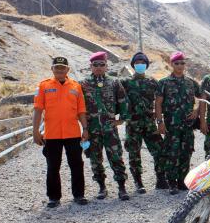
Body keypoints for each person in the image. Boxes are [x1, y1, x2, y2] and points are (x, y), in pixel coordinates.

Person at [32, 56, 88, 208]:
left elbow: (81, 110)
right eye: (57, 67)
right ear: (52, 69)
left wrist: (85, 129)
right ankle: (54, 197)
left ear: (67, 70)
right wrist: (35, 131)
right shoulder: (44, 86)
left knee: (77, 164)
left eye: (62, 68)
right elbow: (37, 109)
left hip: (73, 133)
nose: (59, 70)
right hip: (52, 134)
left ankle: (79, 195)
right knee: (53, 166)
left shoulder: (76, 86)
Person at [80, 51, 131, 201]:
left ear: (106, 66)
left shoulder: (114, 82)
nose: (99, 67)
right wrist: (84, 127)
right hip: (92, 129)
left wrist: (121, 120)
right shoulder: (83, 84)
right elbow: (78, 106)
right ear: (91, 66)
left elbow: (123, 101)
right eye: (95, 65)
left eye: (102, 64)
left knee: (116, 157)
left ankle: (122, 187)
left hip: (110, 129)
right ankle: (102, 187)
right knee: (95, 159)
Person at [155, 51, 202, 194]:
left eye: (182, 63)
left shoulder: (191, 83)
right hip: (172, 126)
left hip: (188, 126)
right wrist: (160, 122)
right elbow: (158, 103)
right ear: (171, 64)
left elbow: (201, 99)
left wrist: (196, 111)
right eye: (177, 63)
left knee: (186, 152)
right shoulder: (164, 83)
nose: (180, 66)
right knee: (172, 153)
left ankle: (182, 182)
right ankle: (172, 183)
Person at [121, 52, 167, 193]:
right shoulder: (125, 82)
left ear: (146, 65)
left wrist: (160, 117)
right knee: (134, 153)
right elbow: (118, 101)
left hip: (149, 123)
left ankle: (161, 179)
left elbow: (161, 101)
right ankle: (138, 182)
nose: (140, 64)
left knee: (159, 150)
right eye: (137, 62)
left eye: (142, 62)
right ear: (133, 65)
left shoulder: (153, 82)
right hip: (133, 125)